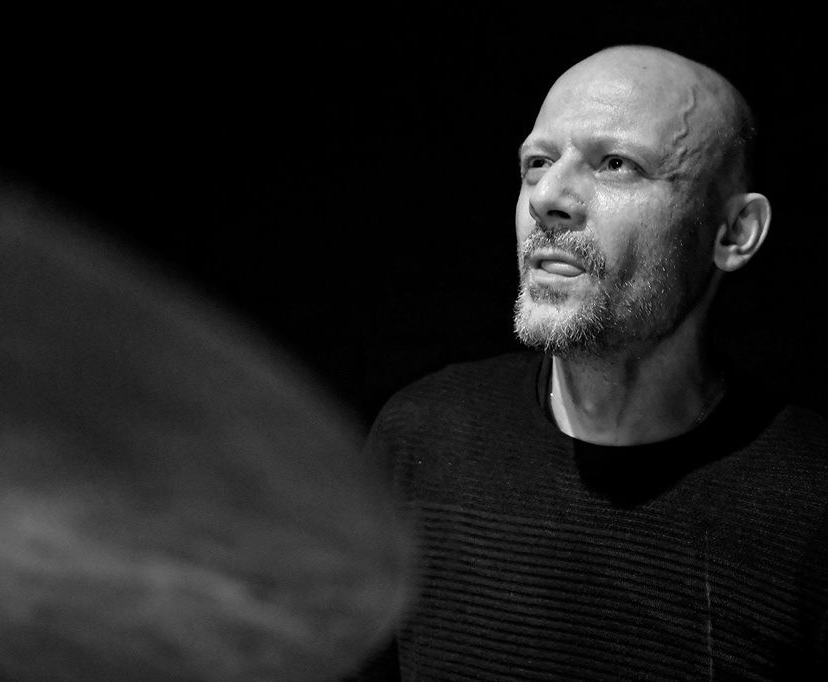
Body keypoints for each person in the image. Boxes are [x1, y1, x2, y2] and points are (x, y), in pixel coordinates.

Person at [354, 45, 828, 679]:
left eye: (616, 164)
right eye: (537, 162)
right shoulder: (422, 436)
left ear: (734, 231)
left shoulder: (811, 500)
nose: (548, 196)